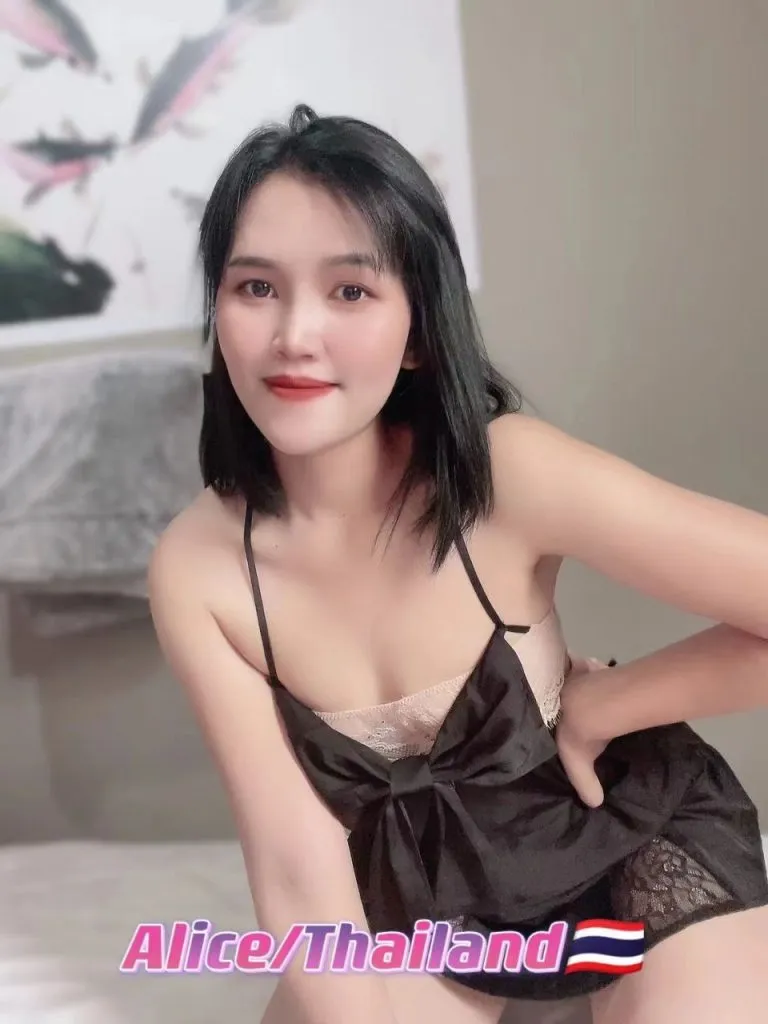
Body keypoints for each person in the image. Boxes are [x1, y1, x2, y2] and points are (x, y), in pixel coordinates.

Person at [148, 104, 768, 1024]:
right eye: (256, 287)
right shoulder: (197, 569)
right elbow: (295, 869)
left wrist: (609, 704)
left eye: (350, 290)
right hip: (424, 897)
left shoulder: (508, 472)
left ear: (418, 332)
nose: (294, 335)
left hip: (624, 834)